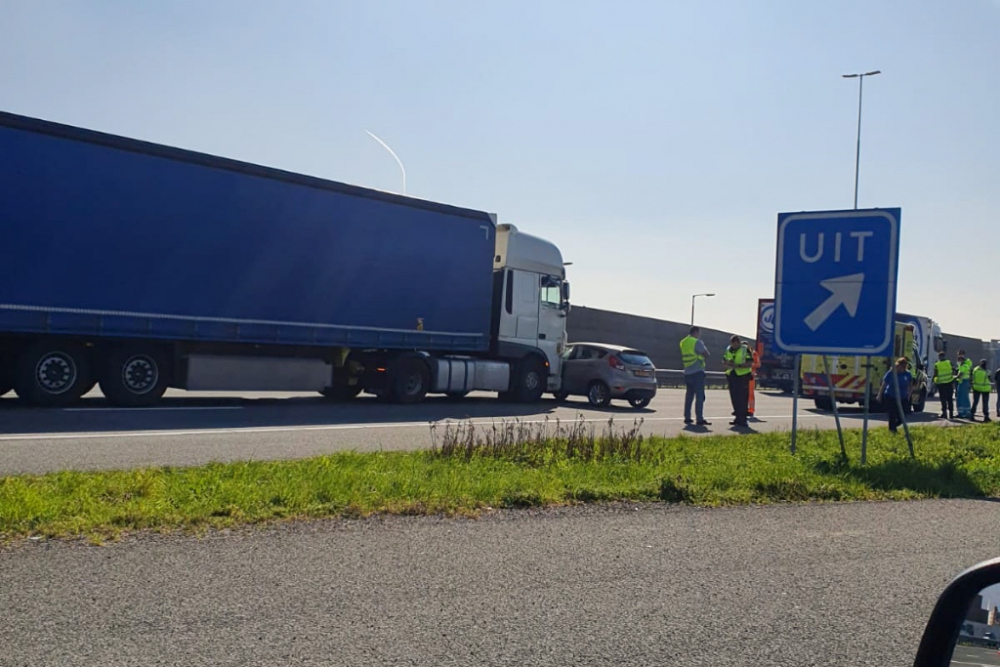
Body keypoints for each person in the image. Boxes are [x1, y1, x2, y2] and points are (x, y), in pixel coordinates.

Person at [679, 326, 710, 426]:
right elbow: (706, 354)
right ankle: (699, 419)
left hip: (687, 372)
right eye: (699, 333)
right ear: (695, 332)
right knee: (700, 396)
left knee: (689, 396)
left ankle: (687, 417)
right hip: (697, 371)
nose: (699, 335)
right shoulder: (697, 341)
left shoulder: (683, 342)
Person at [722, 335, 753, 428]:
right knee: (734, 397)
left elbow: (749, 363)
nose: (734, 346)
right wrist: (727, 363)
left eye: (736, 345)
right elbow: (724, 360)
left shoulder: (745, 349)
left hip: (743, 376)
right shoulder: (728, 349)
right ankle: (737, 417)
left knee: (742, 398)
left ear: (739, 343)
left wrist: (737, 365)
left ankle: (743, 419)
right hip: (732, 375)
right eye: (733, 345)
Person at [878, 357, 912, 434]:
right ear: (897, 365)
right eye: (901, 366)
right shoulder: (891, 373)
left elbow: (910, 386)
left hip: (903, 397)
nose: (902, 368)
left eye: (904, 366)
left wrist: (908, 395)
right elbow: (884, 385)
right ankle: (892, 430)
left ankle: (894, 426)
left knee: (903, 416)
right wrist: (879, 395)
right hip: (891, 396)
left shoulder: (908, 374)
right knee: (892, 414)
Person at [932, 350, 955, 420]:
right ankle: (951, 414)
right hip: (949, 382)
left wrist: (934, 381)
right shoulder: (949, 362)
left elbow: (935, 374)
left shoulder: (937, 364)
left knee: (943, 399)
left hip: (941, 384)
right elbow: (954, 370)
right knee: (950, 399)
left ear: (939, 357)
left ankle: (944, 413)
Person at [955, 350, 973, 419]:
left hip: (963, 381)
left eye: (959, 355)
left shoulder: (965, 364)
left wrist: (955, 377)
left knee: (961, 398)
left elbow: (961, 373)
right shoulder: (965, 364)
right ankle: (966, 412)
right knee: (964, 397)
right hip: (963, 381)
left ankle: (962, 413)